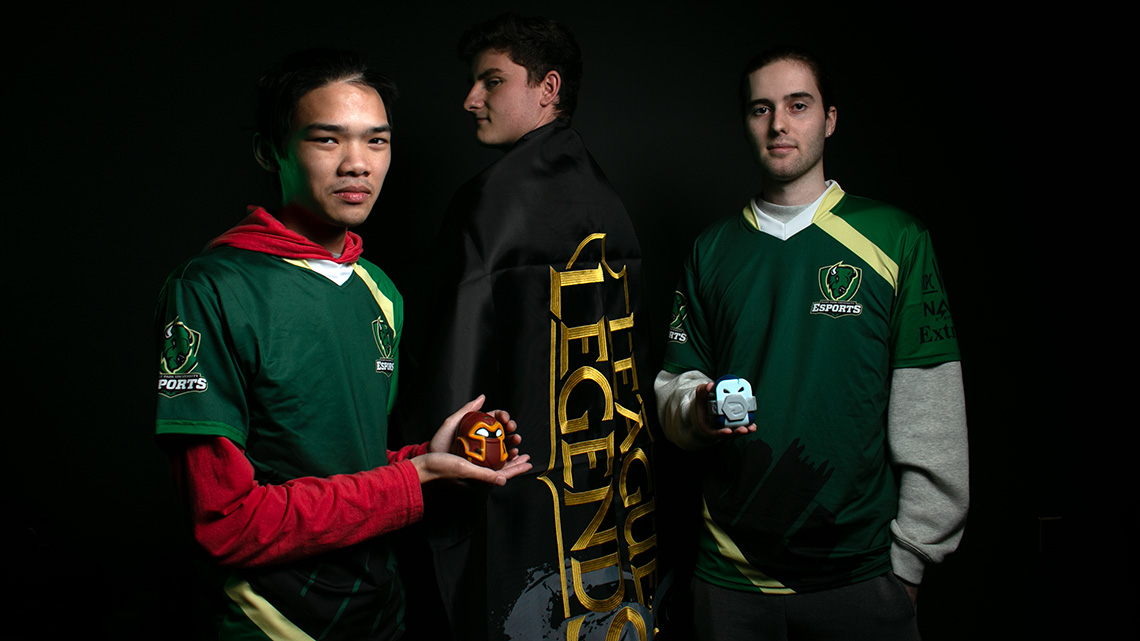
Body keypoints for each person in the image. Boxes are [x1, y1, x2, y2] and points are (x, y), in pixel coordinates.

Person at [153, 48, 530, 641]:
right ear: (270, 151)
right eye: (327, 140)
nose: (358, 164)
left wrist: (424, 458)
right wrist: (414, 478)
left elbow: (345, 466)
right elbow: (224, 522)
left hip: (383, 614)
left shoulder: (378, 290)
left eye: (376, 141)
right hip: (273, 623)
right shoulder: (211, 289)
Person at [655, 46, 968, 640]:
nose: (779, 124)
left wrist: (912, 558)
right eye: (761, 109)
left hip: (861, 574)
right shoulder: (711, 250)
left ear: (829, 119)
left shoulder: (896, 238)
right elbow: (675, 384)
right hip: (730, 576)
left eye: (798, 105)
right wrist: (696, 409)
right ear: (746, 122)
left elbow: (932, 409)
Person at [404, 13, 657, 641]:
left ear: (548, 87)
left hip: (512, 489)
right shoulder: (610, 200)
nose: (471, 100)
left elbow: (450, 372)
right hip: (608, 497)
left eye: (491, 81)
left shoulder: (489, 201)